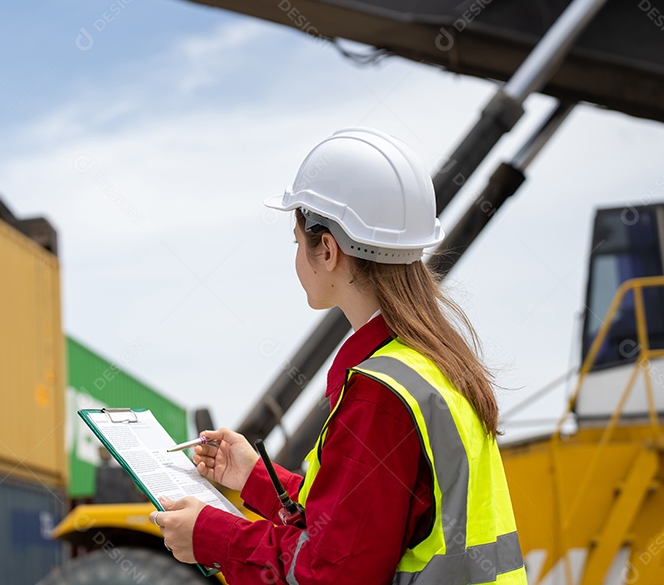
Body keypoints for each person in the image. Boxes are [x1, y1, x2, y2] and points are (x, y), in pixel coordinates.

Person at [149, 128, 527, 584]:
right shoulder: (436, 366)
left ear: (326, 249)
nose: (296, 259)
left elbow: (329, 574)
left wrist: (210, 534)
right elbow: (355, 525)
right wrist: (254, 477)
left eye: (297, 243)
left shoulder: (378, 396)